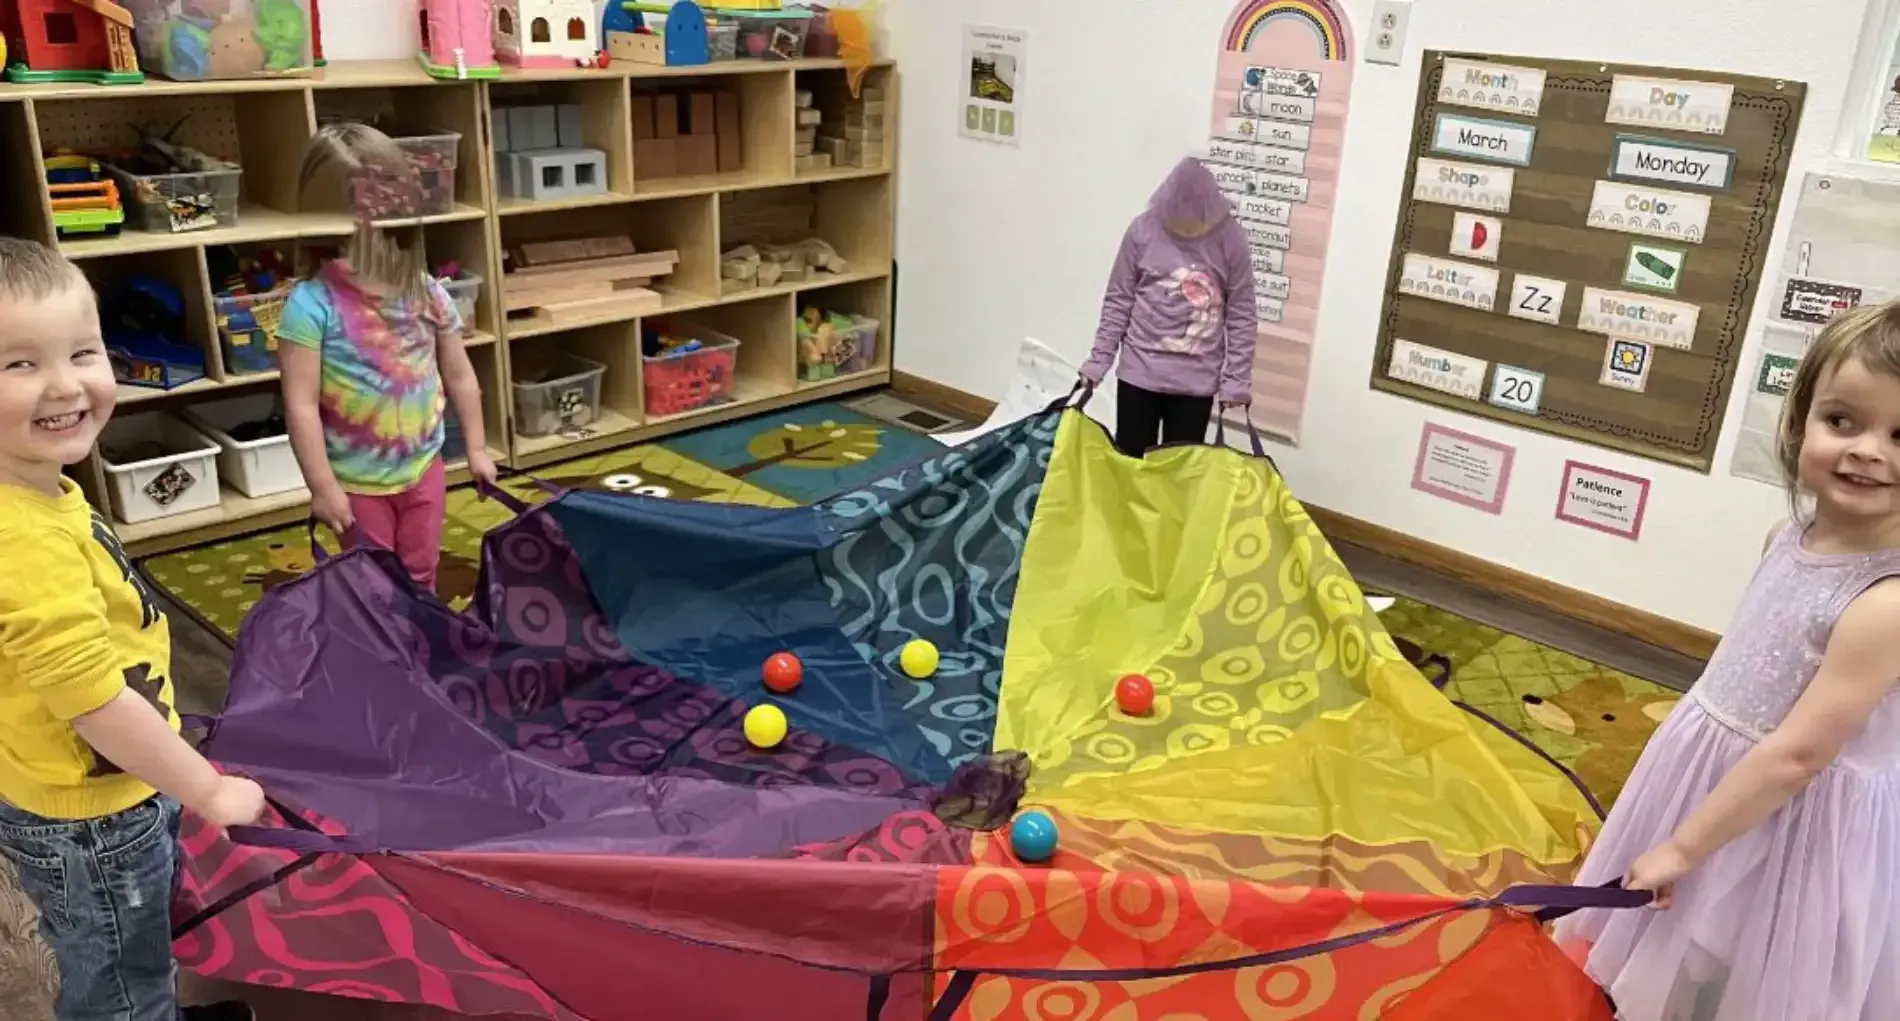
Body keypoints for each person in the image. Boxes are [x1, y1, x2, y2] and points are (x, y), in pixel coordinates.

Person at [1556, 301, 1900, 1020]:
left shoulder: (1884, 602)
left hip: (1800, 818)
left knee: (1752, 960)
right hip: (1718, 776)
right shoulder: (1787, 532)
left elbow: (1801, 753)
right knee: (1685, 942)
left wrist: (1683, 846)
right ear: (1801, 418)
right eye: (1843, 420)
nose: (1869, 450)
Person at [0, 238, 265, 1020]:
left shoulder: (36, 488)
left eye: (83, 351)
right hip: (93, 815)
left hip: (97, 787)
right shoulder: (21, 539)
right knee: (122, 975)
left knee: (134, 941)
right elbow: (89, 700)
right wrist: (208, 788)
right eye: (18, 364)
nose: (65, 384)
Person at [279, 122, 499, 592]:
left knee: (421, 569)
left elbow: (459, 374)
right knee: (374, 583)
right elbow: (300, 404)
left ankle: (420, 645)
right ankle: (383, 655)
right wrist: (322, 487)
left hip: (424, 467)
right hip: (357, 483)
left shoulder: (427, 293)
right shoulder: (311, 305)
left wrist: (477, 447)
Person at [1080, 156, 1258, 457]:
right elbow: (1119, 299)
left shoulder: (1230, 239)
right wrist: (1098, 362)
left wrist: (1236, 380)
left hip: (1195, 385)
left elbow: (1242, 314)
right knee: (1131, 466)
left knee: (1179, 476)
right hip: (1139, 375)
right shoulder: (1143, 230)